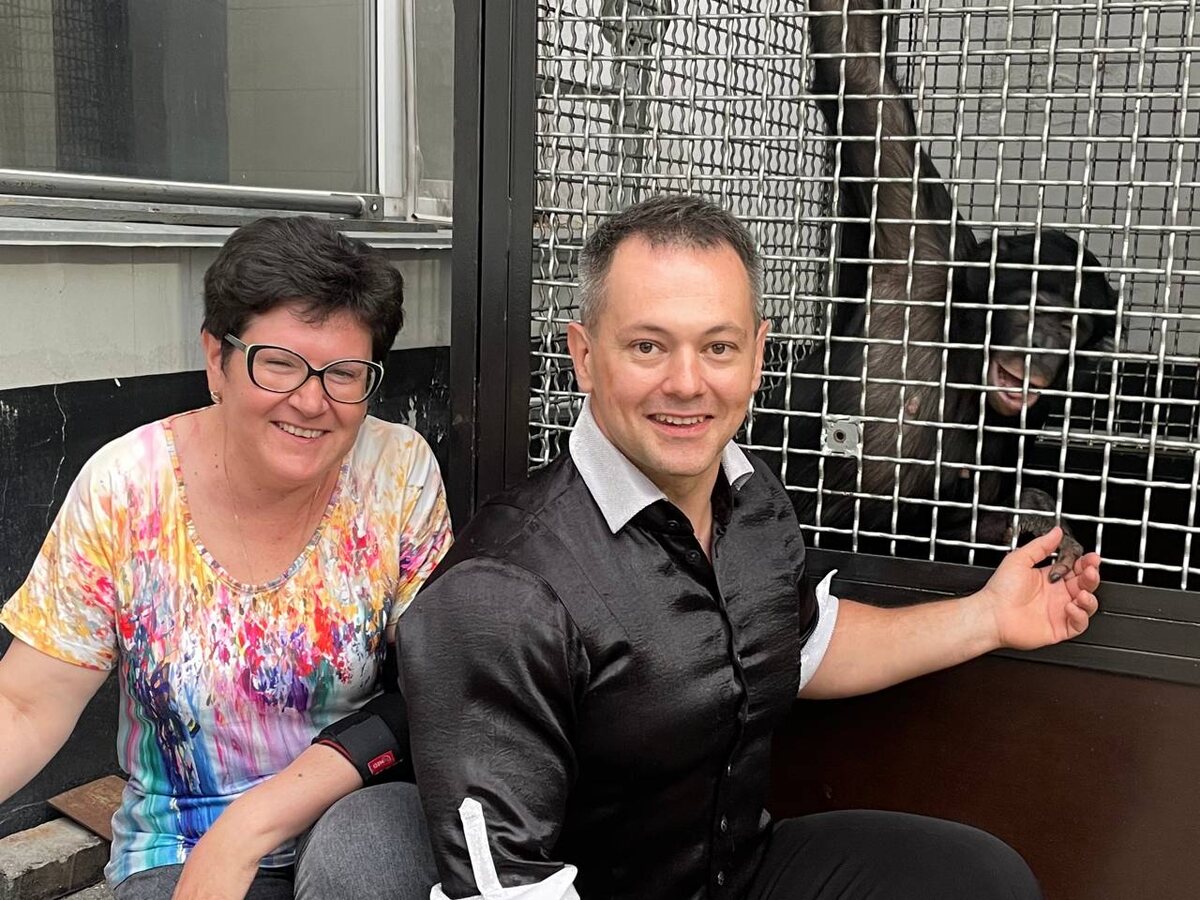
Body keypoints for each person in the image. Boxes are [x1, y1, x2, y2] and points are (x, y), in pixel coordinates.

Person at [397, 194, 1101, 900]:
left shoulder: (752, 496)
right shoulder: (501, 589)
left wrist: (988, 617)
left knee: (979, 878)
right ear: (583, 356)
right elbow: (503, 887)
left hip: (738, 873)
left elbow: (799, 643)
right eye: (648, 346)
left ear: (759, 356)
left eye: (718, 347)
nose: (686, 383)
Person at [0, 216, 452, 899]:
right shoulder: (128, 487)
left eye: (344, 374)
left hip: (351, 807)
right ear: (217, 358)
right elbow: (25, 704)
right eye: (279, 363)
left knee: (364, 860)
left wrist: (254, 821)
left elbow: (440, 683)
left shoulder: (395, 471)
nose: (311, 400)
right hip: (181, 838)